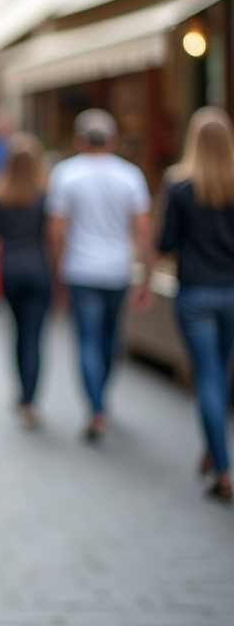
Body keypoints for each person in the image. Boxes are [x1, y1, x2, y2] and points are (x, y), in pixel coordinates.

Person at [138, 106, 234, 502]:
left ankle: (223, 467)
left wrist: (146, 278)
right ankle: (214, 454)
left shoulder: (179, 185)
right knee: (220, 375)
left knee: (208, 377)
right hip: (231, 293)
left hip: (195, 293)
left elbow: (165, 245)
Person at [46, 109, 152, 441]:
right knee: (110, 337)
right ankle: (101, 398)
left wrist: (57, 272)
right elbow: (144, 229)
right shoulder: (131, 175)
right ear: (113, 140)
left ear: (79, 140)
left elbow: (56, 231)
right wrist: (147, 273)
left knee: (88, 339)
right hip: (118, 268)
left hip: (80, 268)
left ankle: (96, 408)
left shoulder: (65, 174)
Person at [0, 133, 51, 427]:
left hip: (9, 269)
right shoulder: (45, 193)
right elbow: (51, 237)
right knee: (34, 336)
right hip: (38, 268)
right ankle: (30, 400)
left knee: (17, 333)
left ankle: (21, 394)